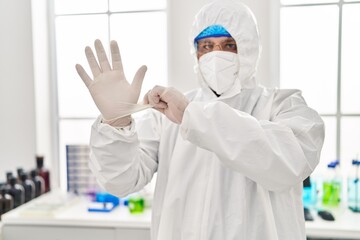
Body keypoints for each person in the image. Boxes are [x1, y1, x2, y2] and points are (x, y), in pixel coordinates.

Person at [75, 0, 325, 239]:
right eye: (206, 46)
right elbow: (121, 181)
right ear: (195, 53)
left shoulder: (282, 105)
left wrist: (192, 115)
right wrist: (116, 123)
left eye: (229, 45)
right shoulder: (167, 115)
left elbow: (288, 163)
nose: (216, 55)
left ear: (250, 48)